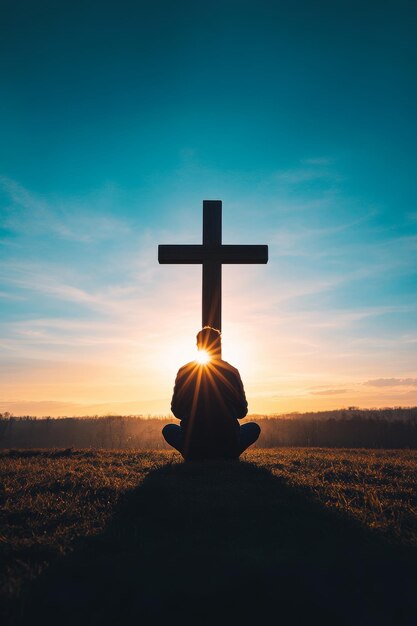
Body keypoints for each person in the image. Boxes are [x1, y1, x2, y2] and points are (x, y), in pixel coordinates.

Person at [162, 326, 260, 461]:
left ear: (198, 346)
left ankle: (195, 455)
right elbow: (241, 412)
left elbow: (177, 411)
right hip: (227, 445)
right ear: (219, 345)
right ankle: (226, 455)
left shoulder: (184, 371)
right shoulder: (232, 371)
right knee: (253, 428)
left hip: (194, 446)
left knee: (169, 429)